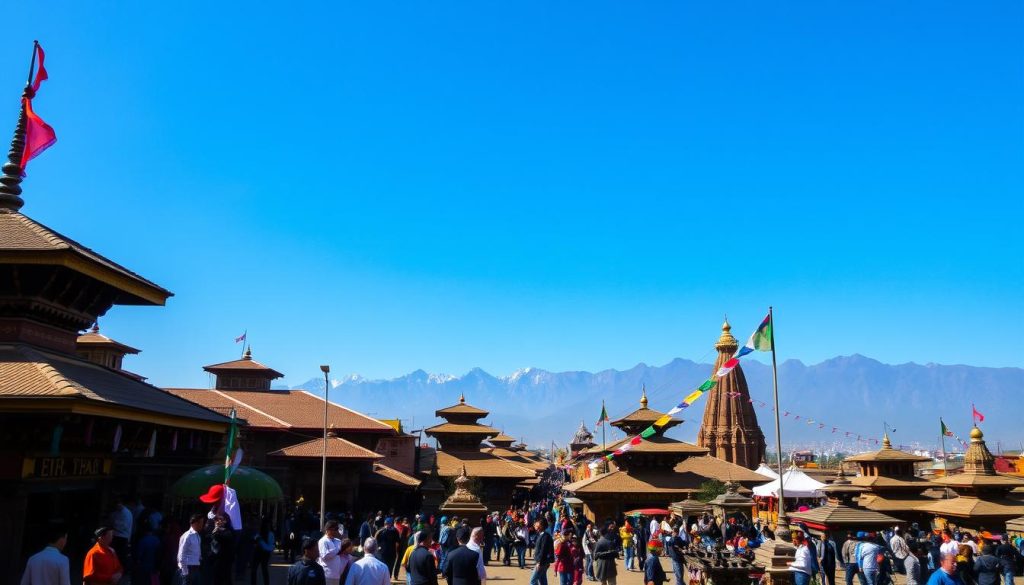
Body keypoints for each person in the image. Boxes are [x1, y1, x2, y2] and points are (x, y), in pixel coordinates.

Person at [176, 514, 204, 585]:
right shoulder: (187, 536)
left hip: (196, 568)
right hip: (188, 568)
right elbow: (181, 555)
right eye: (200, 522)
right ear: (194, 523)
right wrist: (185, 572)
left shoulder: (197, 536)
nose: (202, 525)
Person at [209, 514, 236, 585]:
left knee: (224, 579)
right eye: (217, 519)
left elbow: (219, 538)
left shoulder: (228, 531)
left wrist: (215, 530)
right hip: (215, 559)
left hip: (224, 560)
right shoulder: (214, 530)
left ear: (225, 521)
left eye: (221, 519)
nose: (218, 521)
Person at [109, 498, 134, 568]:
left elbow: (124, 526)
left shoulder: (126, 513)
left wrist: (115, 524)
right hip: (117, 535)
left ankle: (121, 568)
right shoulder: (117, 512)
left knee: (121, 554)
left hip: (123, 536)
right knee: (116, 553)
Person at [319, 520, 346, 585]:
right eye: (335, 529)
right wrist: (337, 550)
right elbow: (324, 556)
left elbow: (341, 553)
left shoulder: (338, 541)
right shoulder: (323, 541)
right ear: (328, 530)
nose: (336, 531)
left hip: (336, 575)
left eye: (337, 529)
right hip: (327, 575)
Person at [251, 517, 275, 585]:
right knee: (258, 570)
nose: (268, 526)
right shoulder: (260, 532)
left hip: (263, 553)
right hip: (259, 553)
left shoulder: (269, 534)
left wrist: (260, 541)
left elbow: (270, 547)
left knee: (262, 570)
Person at [532, 518, 555, 585]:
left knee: (533, 581)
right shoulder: (542, 535)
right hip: (543, 562)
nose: (536, 526)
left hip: (542, 562)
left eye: (537, 525)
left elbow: (543, 550)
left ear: (542, 525)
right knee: (542, 580)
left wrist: (539, 562)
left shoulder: (545, 536)